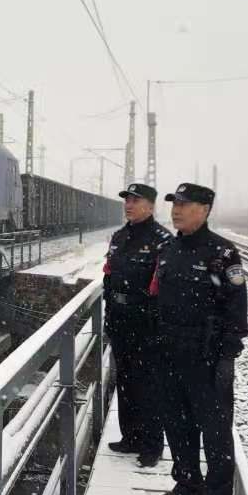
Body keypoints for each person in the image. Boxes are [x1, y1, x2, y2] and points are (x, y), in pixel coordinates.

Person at [153, 183, 248, 495]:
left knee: (216, 432)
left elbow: (237, 309)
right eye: (174, 204)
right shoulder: (169, 249)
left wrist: (227, 356)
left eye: (185, 204)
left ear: (205, 209)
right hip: (170, 352)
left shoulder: (222, 253)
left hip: (207, 356)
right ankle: (188, 483)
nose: (176, 210)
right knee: (177, 424)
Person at [103, 182, 172, 467]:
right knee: (126, 382)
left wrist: (157, 324)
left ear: (151, 206)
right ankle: (130, 436)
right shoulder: (119, 237)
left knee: (150, 385)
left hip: (146, 325)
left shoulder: (162, 240)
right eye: (127, 200)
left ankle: (152, 444)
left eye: (135, 200)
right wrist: (109, 314)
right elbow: (108, 277)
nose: (129, 205)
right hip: (120, 321)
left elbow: (165, 288)